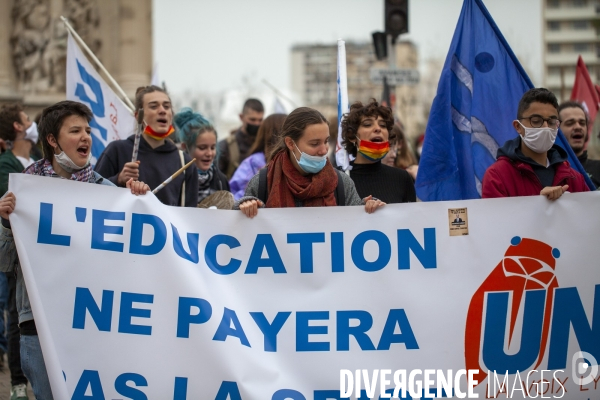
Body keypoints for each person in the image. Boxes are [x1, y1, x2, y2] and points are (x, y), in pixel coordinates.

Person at [0, 101, 149, 400]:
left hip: (90, 322)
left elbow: (129, 264)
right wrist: (5, 223)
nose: (86, 137)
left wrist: (139, 204)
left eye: (88, 130)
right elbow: (5, 263)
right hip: (38, 323)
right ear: (52, 140)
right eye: (75, 130)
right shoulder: (23, 192)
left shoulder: (108, 194)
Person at [236, 107, 385, 217]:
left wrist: (368, 209)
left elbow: (355, 230)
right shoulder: (263, 182)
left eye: (326, 141)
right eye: (314, 144)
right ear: (290, 143)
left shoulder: (341, 183)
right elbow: (241, 232)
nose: (323, 150)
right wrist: (244, 207)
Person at [95, 85, 198, 207]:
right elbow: (93, 194)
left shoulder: (184, 162)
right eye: (154, 106)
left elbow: (189, 215)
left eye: (166, 106)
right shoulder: (117, 150)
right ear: (138, 116)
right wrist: (118, 179)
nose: (162, 111)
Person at [482, 88, 589, 199]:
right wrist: (538, 205)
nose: (546, 127)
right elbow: (496, 216)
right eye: (536, 121)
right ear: (518, 127)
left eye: (552, 122)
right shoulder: (497, 176)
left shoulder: (574, 179)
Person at [0, 103, 35, 400]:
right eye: (27, 119)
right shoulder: (6, 165)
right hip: (16, 250)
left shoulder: (37, 161)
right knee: (16, 313)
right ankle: (18, 382)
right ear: (18, 127)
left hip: (40, 254)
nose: (31, 123)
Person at [341, 100, 416, 204]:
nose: (377, 129)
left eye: (383, 125)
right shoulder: (340, 178)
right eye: (367, 124)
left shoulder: (402, 178)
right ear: (352, 136)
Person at [174, 108, 229, 204]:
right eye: (202, 148)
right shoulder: (175, 178)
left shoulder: (221, 180)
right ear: (185, 147)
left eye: (212, 147)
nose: (209, 154)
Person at [229, 113, 286, 200]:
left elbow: (233, 195)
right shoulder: (254, 162)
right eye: (252, 120)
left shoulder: (251, 162)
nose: (256, 124)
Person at [217, 98, 264, 179]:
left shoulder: (264, 144)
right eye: (252, 119)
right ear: (241, 117)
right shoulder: (226, 146)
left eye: (260, 120)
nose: (257, 124)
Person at [558, 100, 600, 188]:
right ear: (557, 131)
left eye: (582, 123)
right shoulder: (548, 170)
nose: (578, 127)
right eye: (570, 123)